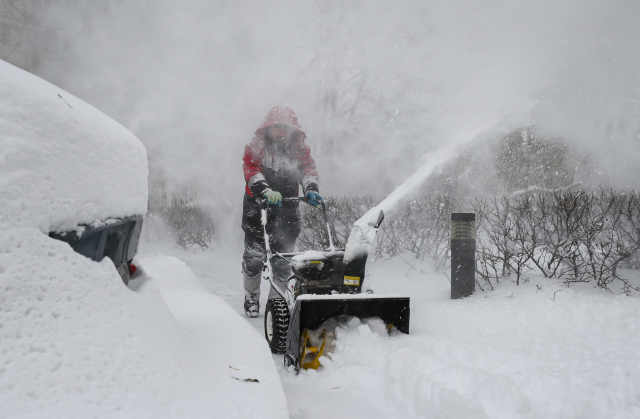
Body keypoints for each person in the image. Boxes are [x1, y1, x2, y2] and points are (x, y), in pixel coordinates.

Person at [241, 106, 323, 317]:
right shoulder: (256, 146)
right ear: (268, 128)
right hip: (257, 204)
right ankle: (251, 296)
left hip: (287, 205)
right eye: (276, 127)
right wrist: (265, 190)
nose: (280, 132)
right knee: (255, 256)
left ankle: (275, 304)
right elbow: (250, 169)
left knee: (284, 258)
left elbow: (308, 169)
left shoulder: (299, 148)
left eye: (284, 127)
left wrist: (311, 188)